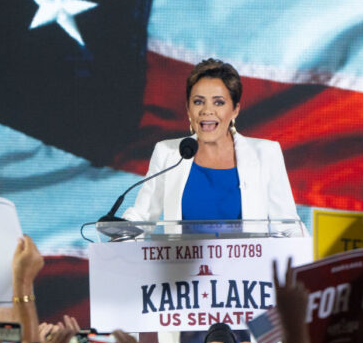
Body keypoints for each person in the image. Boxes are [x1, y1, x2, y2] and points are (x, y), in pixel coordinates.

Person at [123, 58, 300, 228]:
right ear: (188, 109)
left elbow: (288, 226)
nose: (207, 111)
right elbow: (141, 216)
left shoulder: (266, 154)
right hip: (183, 260)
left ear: (235, 110)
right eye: (198, 102)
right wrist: (119, 232)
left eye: (219, 102)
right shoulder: (167, 153)